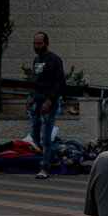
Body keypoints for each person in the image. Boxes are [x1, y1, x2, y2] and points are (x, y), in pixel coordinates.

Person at [27, 32, 65, 180]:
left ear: (47, 44)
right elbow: (36, 80)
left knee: (45, 137)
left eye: (39, 44)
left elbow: (60, 82)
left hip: (48, 102)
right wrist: (32, 97)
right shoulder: (37, 60)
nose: (36, 46)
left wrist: (49, 101)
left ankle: (44, 167)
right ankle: (54, 159)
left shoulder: (54, 60)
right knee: (35, 136)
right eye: (35, 43)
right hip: (36, 101)